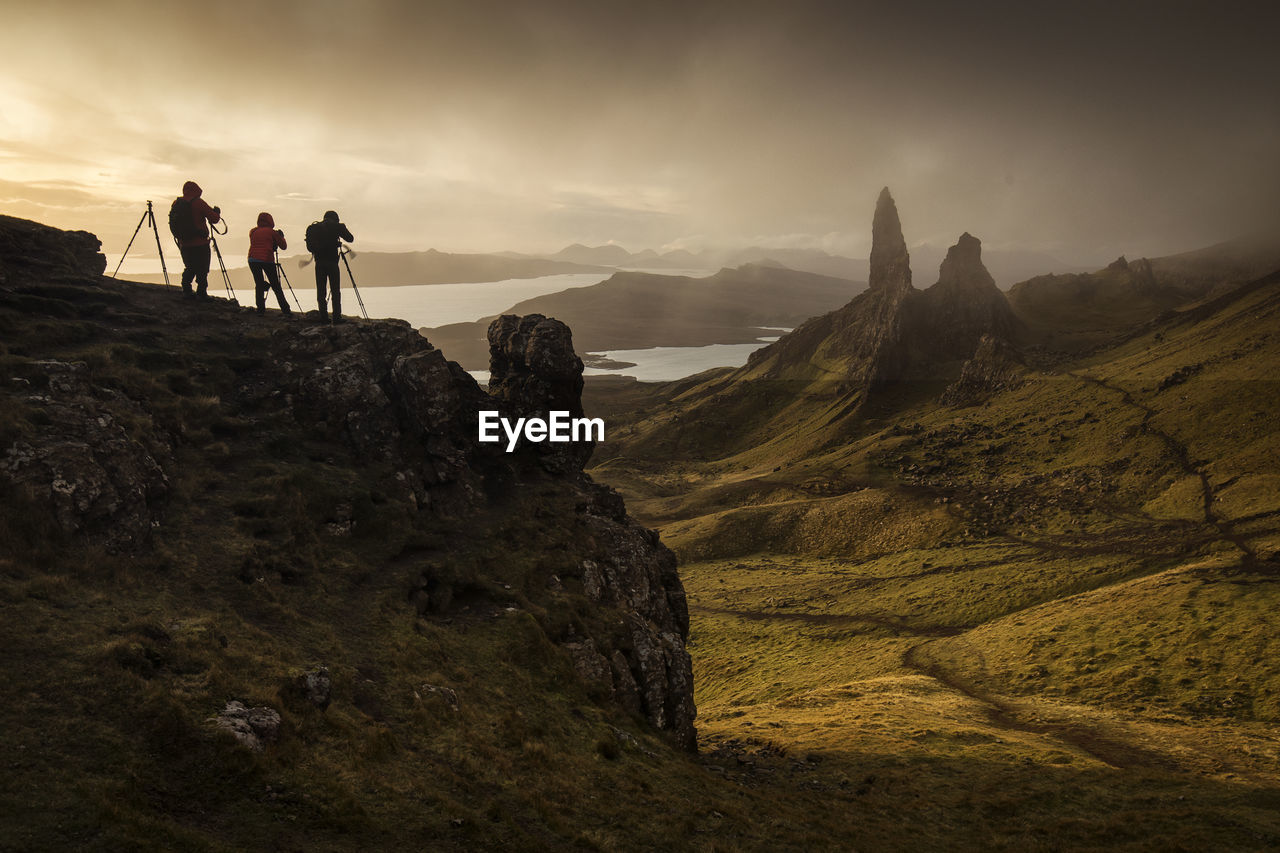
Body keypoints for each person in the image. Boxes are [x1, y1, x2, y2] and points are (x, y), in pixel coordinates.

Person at [172, 181, 221, 299]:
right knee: (202, 268)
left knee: (190, 266)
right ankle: (201, 292)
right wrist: (217, 212)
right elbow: (214, 219)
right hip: (200, 242)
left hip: (184, 242)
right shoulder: (198, 203)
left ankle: (186, 287)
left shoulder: (176, 203)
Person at [307, 210, 354, 323]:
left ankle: (323, 317)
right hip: (332, 262)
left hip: (319, 262)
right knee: (335, 290)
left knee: (321, 290)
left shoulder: (315, 228)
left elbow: (310, 247)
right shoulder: (337, 226)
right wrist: (341, 228)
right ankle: (337, 318)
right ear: (335, 218)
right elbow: (350, 238)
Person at [247, 212, 291, 316]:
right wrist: (281, 236)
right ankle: (286, 310)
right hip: (267, 259)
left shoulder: (253, 231)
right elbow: (283, 246)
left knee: (259, 284)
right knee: (276, 286)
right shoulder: (272, 232)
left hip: (252, 259)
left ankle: (260, 309)